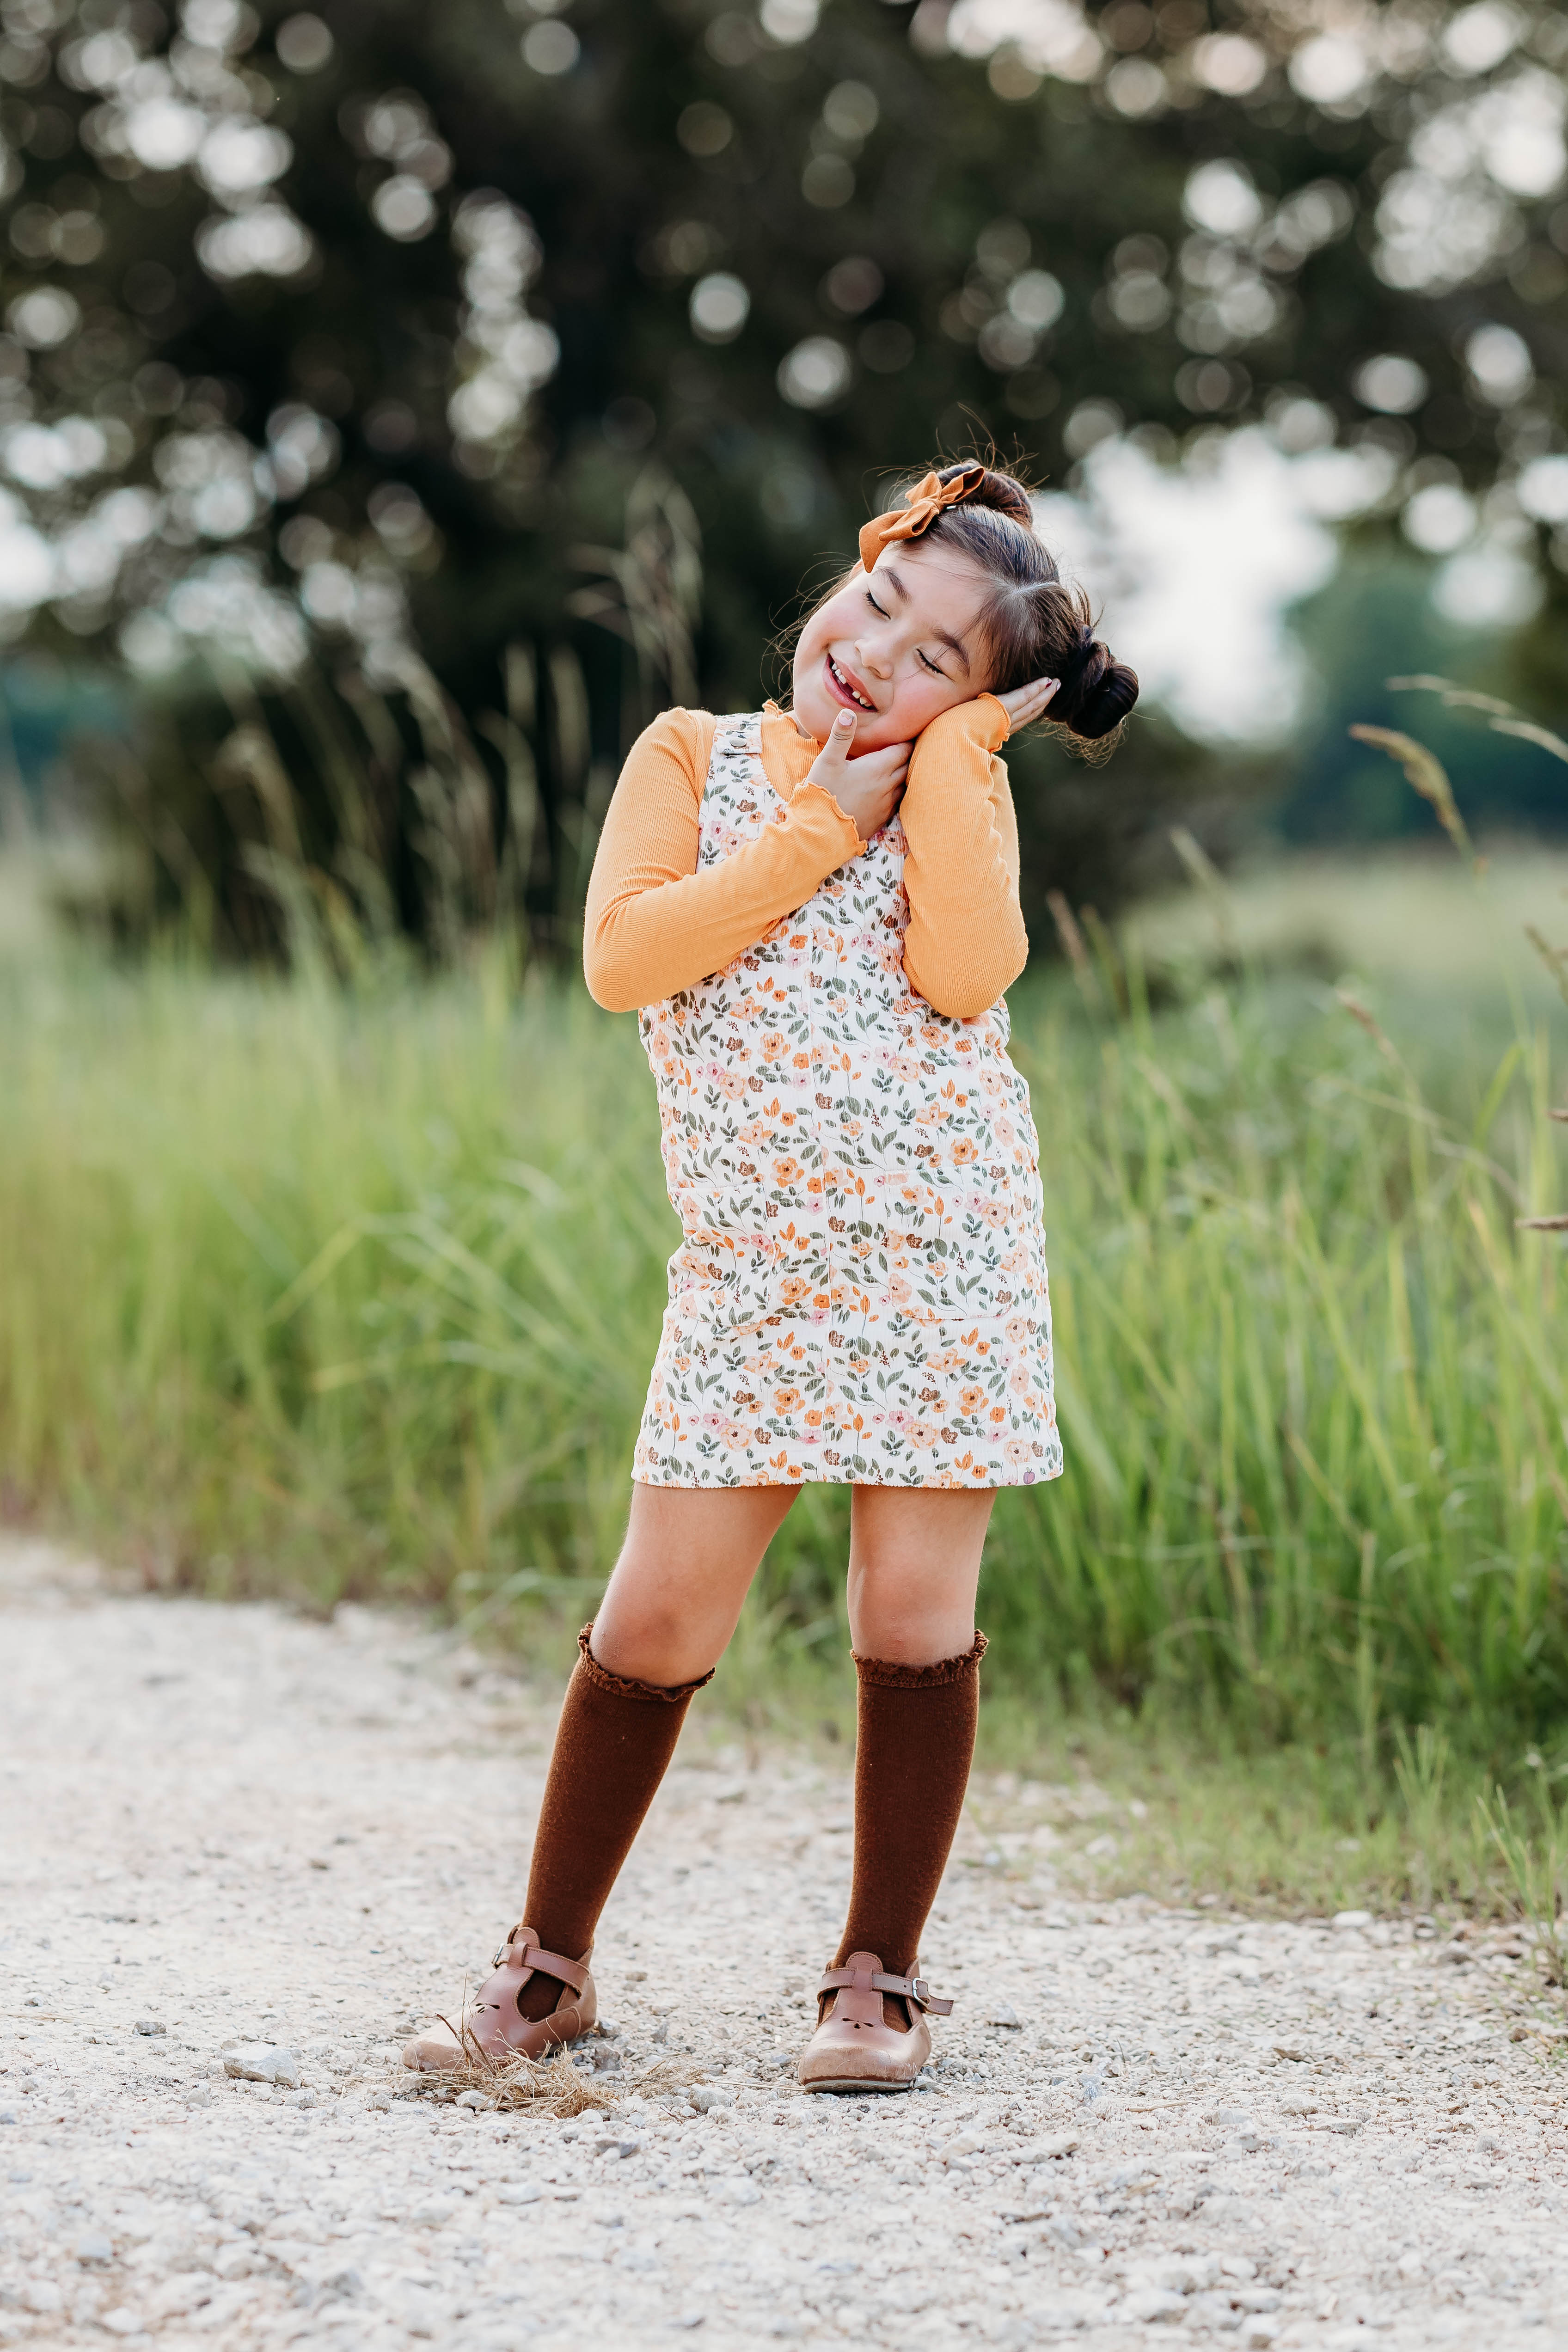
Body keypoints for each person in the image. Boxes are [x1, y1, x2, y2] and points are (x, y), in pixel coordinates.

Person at [403, 458, 1138, 2093]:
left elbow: (965, 971)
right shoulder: (696, 758)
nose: (877, 654)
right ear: (847, 579)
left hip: (947, 1259)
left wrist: (951, 765)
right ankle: (549, 1962)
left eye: (940, 660)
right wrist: (824, 819)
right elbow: (627, 957)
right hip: (757, 1266)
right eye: (879, 605)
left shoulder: (964, 795)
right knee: (661, 1609)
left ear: (984, 713)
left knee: (913, 1609)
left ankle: (879, 1977)